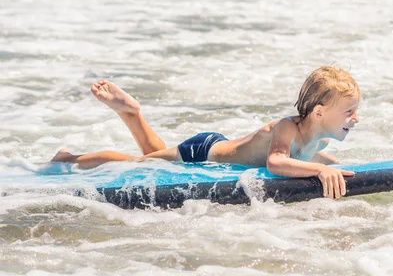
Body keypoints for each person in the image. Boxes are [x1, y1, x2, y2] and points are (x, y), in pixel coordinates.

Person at [51, 66, 361, 199]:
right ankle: (71, 158)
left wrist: (335, 167)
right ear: (319, 113)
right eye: (348, 111)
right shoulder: (286, 127)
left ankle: (131, 114)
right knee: (137, 163)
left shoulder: (315, 135)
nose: (355, 118)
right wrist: (320, 170)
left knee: (155, 158)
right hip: (204, 152)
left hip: (216, 152)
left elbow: (309, 154)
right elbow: (277, 163)